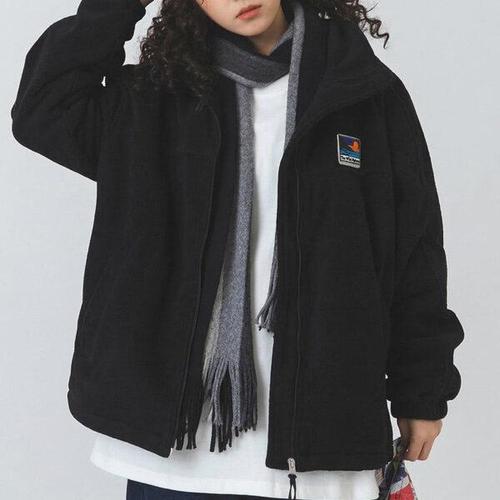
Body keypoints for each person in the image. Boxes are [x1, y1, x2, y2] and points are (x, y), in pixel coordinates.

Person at [10, 0, 465, 499]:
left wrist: (421, 390)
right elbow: (43, 107)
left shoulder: (364, 93)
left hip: (320, 442)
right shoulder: (154, 100)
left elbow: (414, 251)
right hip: (174, 452)